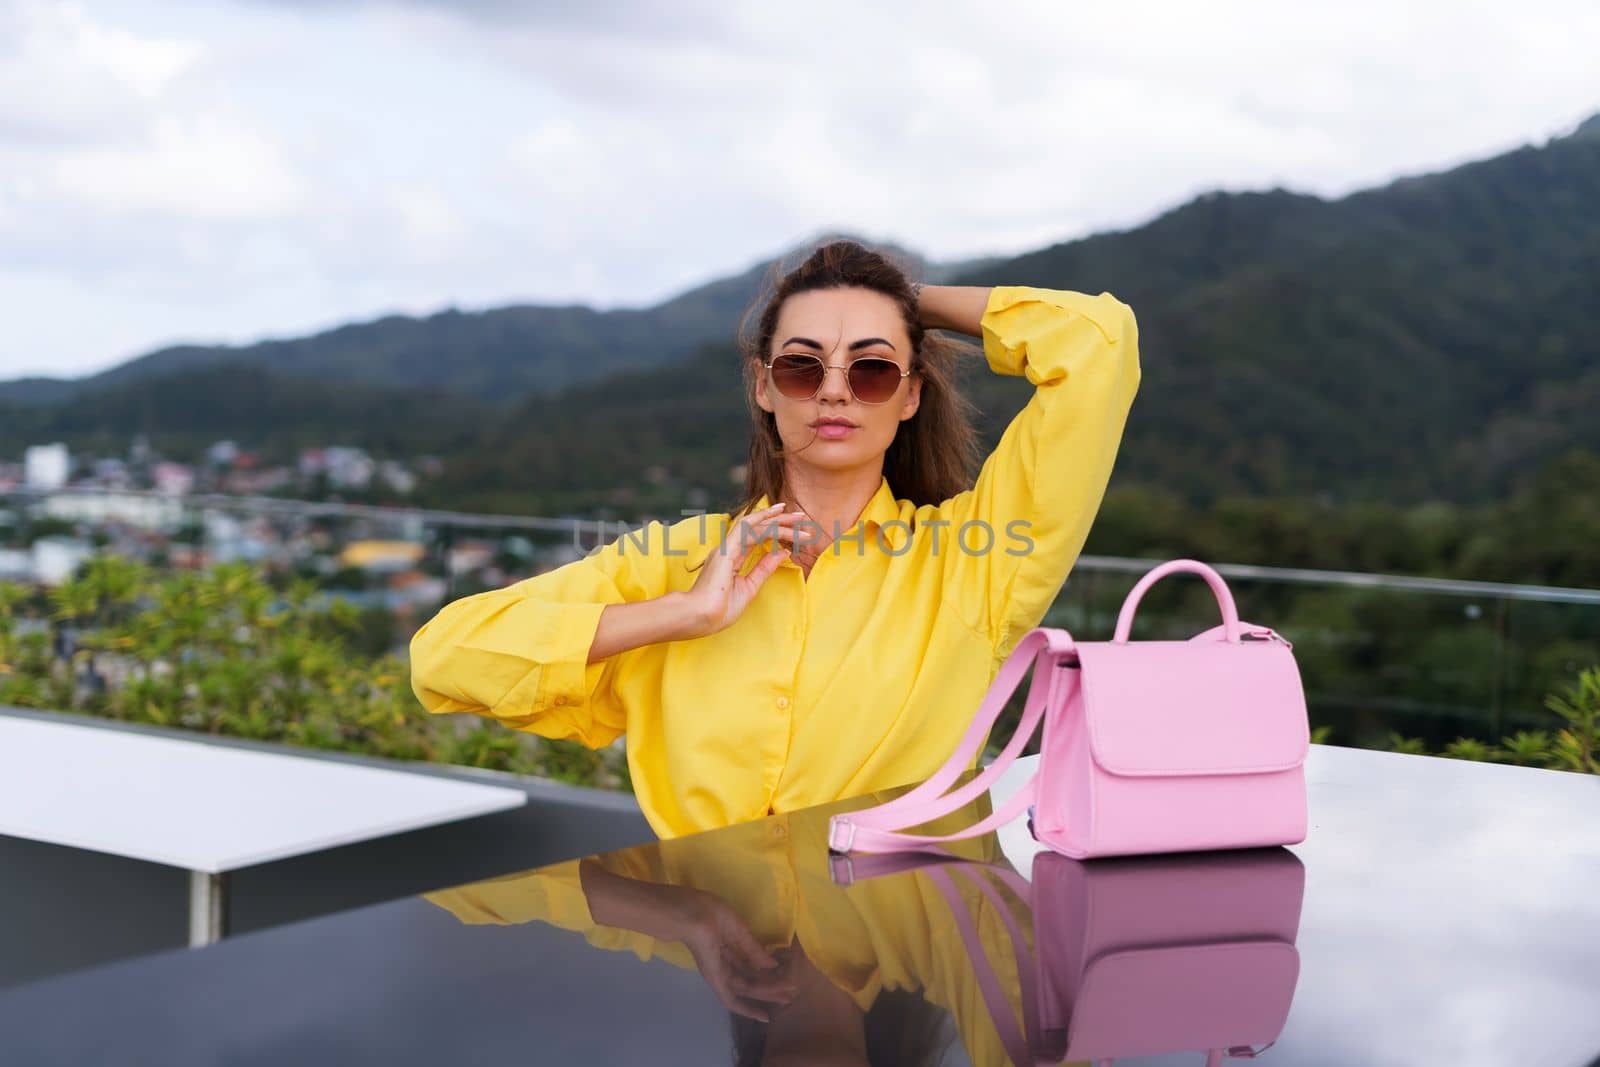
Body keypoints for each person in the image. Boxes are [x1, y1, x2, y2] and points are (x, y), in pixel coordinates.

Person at [409, 238, 1142, 840]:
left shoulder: (971, 564)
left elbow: (1097, 344)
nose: (833, 389)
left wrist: (891, 298)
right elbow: (444, 656)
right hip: (709, 957)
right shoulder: (674, 561)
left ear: (911, 394)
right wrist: (684, 614)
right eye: (801, 365)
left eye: (872, 368)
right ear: (763, 386)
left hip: (903, 967)